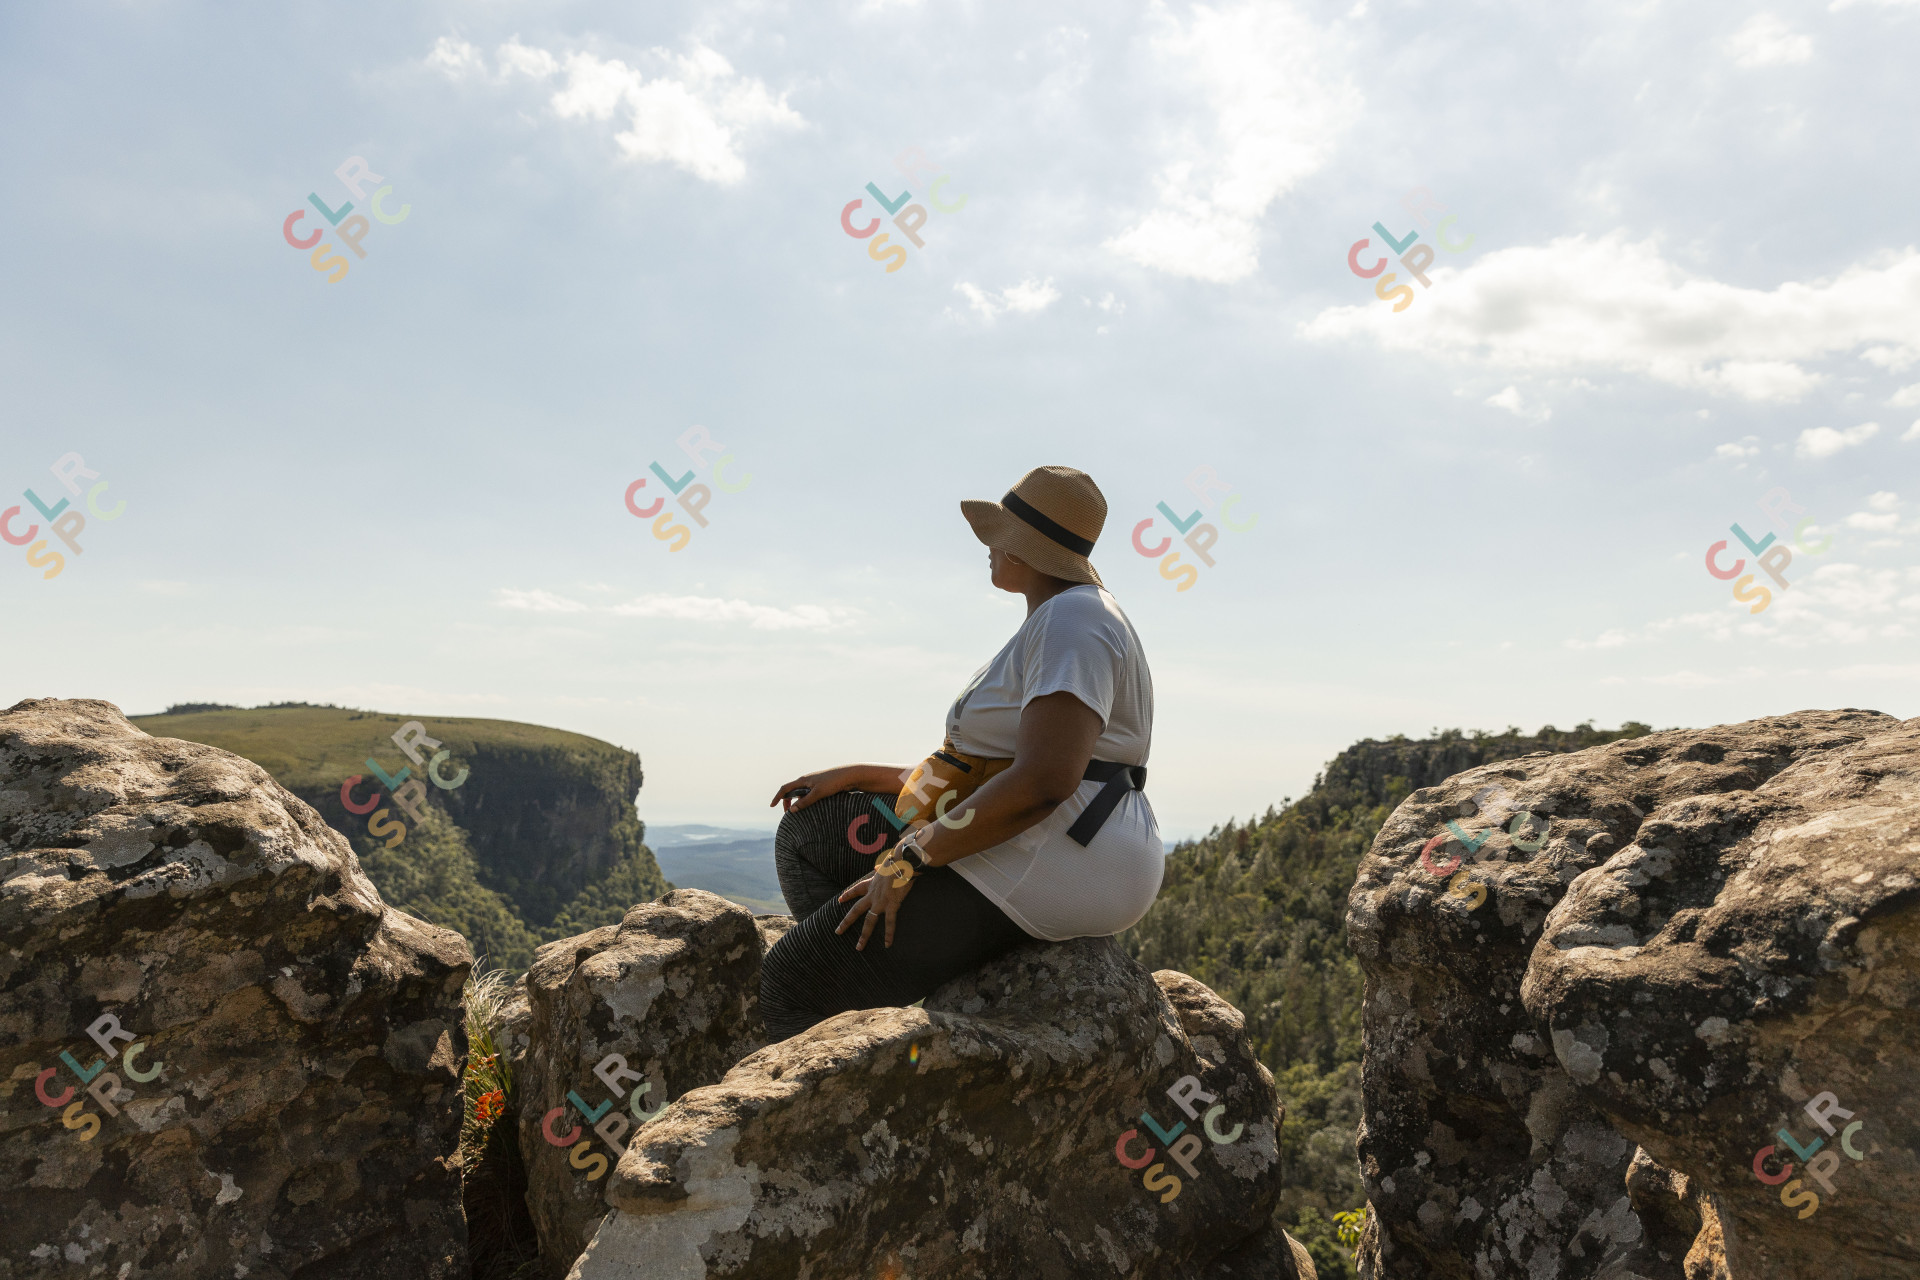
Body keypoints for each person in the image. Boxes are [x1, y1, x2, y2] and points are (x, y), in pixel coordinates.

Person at [759, 465, 1162, 1041]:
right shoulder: (1064, 616)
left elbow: (1044, 781)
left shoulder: (1074, 620)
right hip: (1048, 839)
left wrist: (910, 858)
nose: (988, 547)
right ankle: (873, 970)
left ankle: (844, 1016)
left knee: (789, 982)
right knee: (815, 831)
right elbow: (983, 770)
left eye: (999, 535)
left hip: (1059, 851)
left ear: (1028, 548)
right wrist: (857, 775)